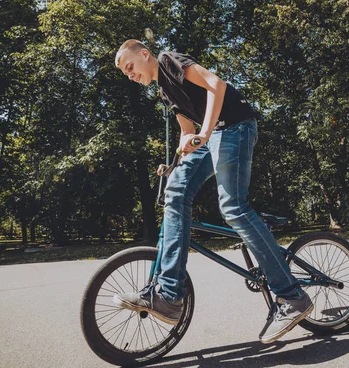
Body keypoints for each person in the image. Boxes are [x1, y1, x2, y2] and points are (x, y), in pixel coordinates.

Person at [112, 39, 313, 344]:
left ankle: (292, 296)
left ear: (144, 55)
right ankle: (169, 297)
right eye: (125, 74)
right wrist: (178, 160)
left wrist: (204, 133)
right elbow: (187, 131)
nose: (130, 74)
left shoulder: (168, 60)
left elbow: (215, 85)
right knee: (175, 192)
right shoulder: (165, 91)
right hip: (214, 136)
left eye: (130, 67)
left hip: (235, 126)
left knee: (232, 206)